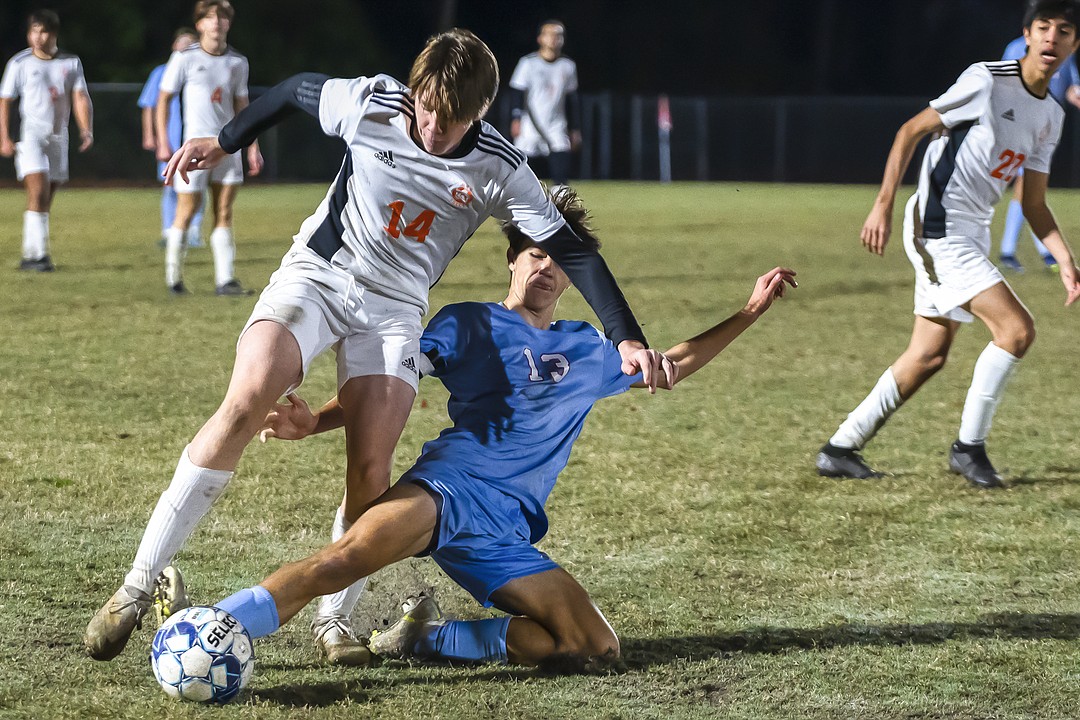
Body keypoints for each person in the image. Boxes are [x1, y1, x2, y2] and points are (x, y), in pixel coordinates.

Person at [84, 28, 665, 667]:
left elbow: (573, 249)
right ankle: (138, 584)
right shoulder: (373, 104)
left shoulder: (499, 166)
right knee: (248, 399)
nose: (434, 125)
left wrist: (626, 335)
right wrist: (222, 142)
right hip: (320, 274)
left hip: (394, 310)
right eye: (428, 106)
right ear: (415, 91)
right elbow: (287, 93)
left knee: (371, 466)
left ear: (481, 114)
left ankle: (335, 622)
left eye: (454, 116)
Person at [208, 186, 796, 674]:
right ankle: (223, 624)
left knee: (591, 645)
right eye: (534, 253)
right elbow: (390, 379)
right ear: (513, 258)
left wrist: (748, 312)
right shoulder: (468, 323)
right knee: (343, 560)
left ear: (573, 277)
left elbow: (673, 365)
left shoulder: (590, 347)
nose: (545, 266)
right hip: (447, 492)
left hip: (507, 531)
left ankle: (425, 639)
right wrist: (317, 423)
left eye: (559, 260)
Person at [816, 0, 1080, 489]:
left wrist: (1065, 258)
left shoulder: (1051, 116)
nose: (1052, 38)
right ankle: (968, 448)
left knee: (928, 355)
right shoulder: (986, 80)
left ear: (1074, 45)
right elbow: (910, 131)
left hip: (971, 231)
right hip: (936, 226)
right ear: (1027, 34)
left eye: (1064, 31)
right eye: (1043, 27)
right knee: (1017, 330)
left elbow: (1035, 203)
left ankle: (840, 447)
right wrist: (882, 204)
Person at [156, 0, 262, 295]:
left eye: (222, 17)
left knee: (224, 211)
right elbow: (163, 99)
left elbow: (243, 106)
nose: (217, 22)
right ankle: (173, 278)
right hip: (194, 148)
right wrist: (164, 140)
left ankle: (225, 280)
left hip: (228, 147)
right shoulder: (184, 58)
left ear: (229, 23)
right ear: (200, 23)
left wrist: (252, 146)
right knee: (187, 209)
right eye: (210, 17)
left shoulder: (238, 62)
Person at [0, 9, 92, 272]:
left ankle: (30, 254)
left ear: (53, 33)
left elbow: (80, 97)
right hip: (30, 135)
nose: (38, 37)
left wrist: (86, 130)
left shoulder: (70, 62)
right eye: (33, 31)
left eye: (43, 31)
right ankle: (40, 256)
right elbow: (5, 101)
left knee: (45, 197)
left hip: (58, 136)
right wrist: (4, 137)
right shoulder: (20, 64)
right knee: (38, 190)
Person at [997, 32, 1080, 272]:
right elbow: (1002, 84)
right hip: (1020, 124)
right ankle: (1022, 252)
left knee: (1029, 189)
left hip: (1046, 131)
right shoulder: (1015, 48)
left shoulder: (1063, 51)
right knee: (1026, 187)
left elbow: (1070, 87)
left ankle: (1020, 252)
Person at [138, 28, 205, 249]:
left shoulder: (199, 70)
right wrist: (151, 136)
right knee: (170, 186)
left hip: (196, 140)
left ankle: (193, 231)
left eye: (190, 43)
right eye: (182, 42)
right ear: (173, 46)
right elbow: (150, 106)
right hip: (170, 138)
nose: (185, 46)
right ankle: (169, 231)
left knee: (196, 186)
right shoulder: (161, 72)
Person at [508, 20, 581, 186]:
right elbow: (517, 92)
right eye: (551, 34)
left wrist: (575, 128)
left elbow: (572, 99)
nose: (555, 39)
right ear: (540, 38)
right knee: (523, 174)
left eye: (559, 35)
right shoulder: (528, 63)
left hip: (556, 124)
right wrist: (516, 118)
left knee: (561, 173)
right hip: (530, 124)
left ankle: (560, 206)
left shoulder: (567, 66)